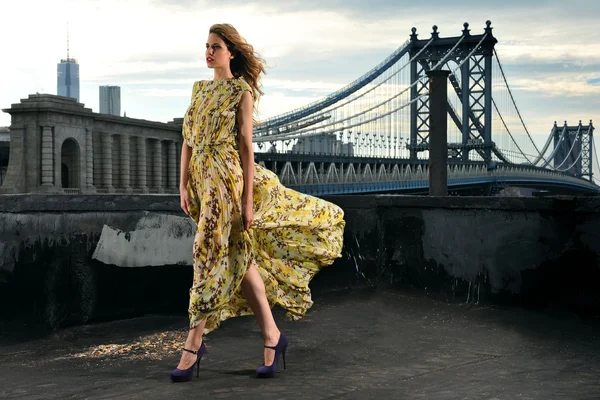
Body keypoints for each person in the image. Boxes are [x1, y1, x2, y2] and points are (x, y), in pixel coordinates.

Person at [171, 23, 345, 382]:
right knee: (239, 255)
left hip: (226, 180)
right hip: (202, 183)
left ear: (231, 52)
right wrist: (183, 185)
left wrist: (248, 200)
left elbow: (247, 147)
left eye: (215, 47)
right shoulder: (198, 90)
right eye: (206, 46)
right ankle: (272, 335)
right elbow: (188, 139)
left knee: (206, 254)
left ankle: (193, 342)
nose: (208, 52)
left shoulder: (240, 93)